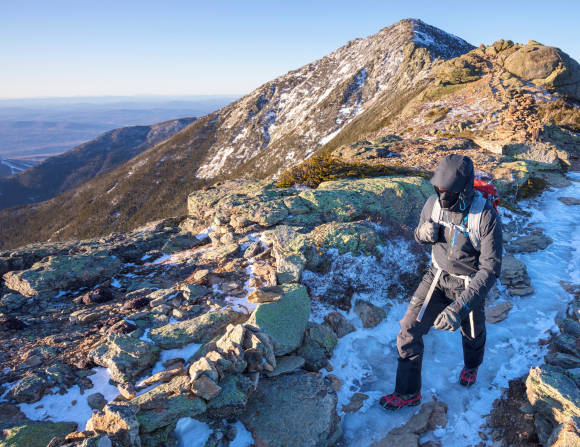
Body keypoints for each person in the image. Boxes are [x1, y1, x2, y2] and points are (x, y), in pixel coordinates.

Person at [380, 154, 503, 410]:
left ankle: (471, 366)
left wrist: (458, 309)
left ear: (465, 189)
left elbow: (490, 268)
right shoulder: (432, 204)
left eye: (448, 190)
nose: (441, 195)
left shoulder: (486, 217)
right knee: (408, 330)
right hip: (436, 276)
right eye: (439, 188)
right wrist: (420, 235)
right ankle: (408, 393)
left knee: (471, 333)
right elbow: (420, 233)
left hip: (469, 283)